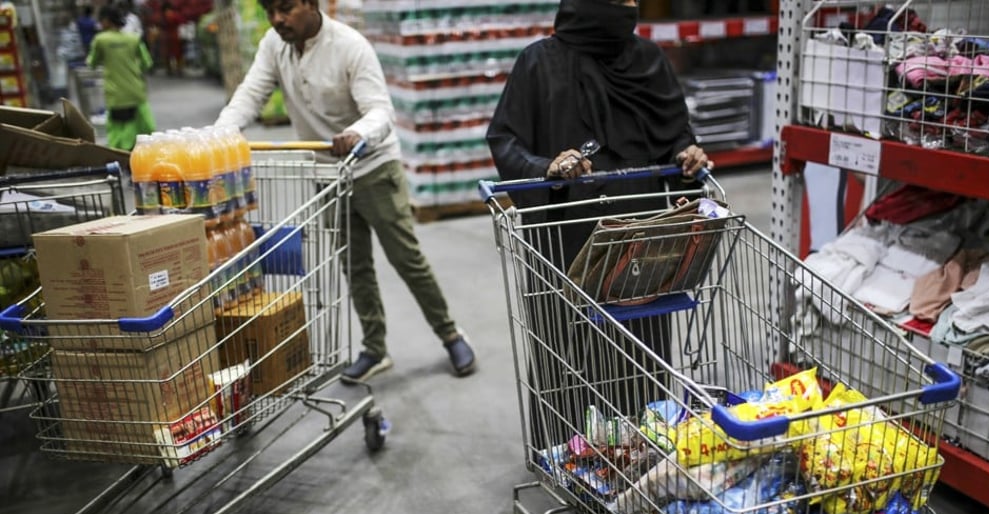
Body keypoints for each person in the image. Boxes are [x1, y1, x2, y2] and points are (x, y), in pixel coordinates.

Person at [486, 0, 711, 448]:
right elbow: (505, 140)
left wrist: (688, 154)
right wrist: (546, 166)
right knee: (566, 351)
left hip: (639, 236)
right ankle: (567, 457)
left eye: (631, 1)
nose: (627, 8)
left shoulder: (647, 59)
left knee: (639, 343)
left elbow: (674, 134)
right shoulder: (538, 62)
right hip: (564, 234)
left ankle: (639, 453)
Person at [215, 0, 476, 382]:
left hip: (372, 167)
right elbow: (250, 94)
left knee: (406, 258)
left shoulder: (350, 46)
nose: (277, 20)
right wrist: (217, 134)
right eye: (270, 11)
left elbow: (380, 112)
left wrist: (358, 133)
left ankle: (450, 333)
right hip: (327, 175)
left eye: (285, 9)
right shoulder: (274, 45)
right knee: (354, 266)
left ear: (310, 3)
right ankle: (375, 347)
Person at [87, 5, 157, 151]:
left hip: (115, 93)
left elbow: (91, 63)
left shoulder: (101, 40)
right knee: (140, 128)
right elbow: (147, 63)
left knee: (118, 128)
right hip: (136, 91)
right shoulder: (134, 39)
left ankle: (121, 156)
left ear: (106, 20)